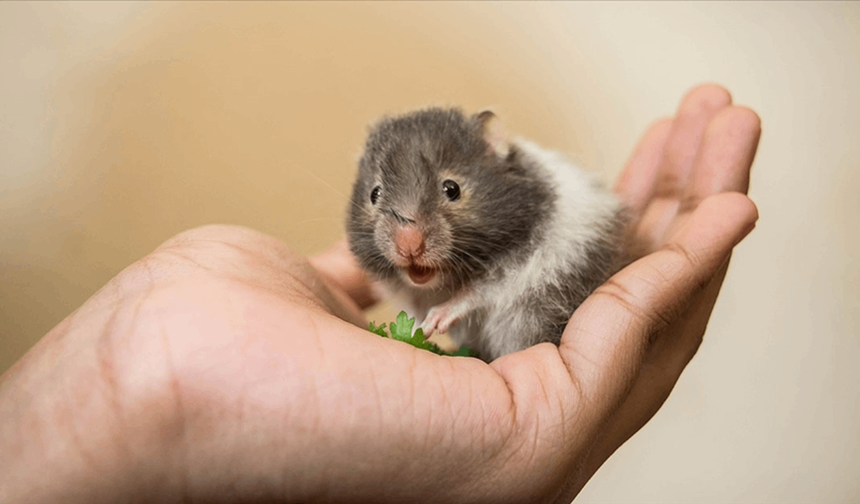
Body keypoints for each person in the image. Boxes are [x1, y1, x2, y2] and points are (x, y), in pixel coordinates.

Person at [0, 84, 760, 503]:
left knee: (527, 310)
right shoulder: (393, 246)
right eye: (379, 202)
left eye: (451, 193)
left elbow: (519, 254)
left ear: (494, 160)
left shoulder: (538, 205)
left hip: (537, 279)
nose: (407, 241)